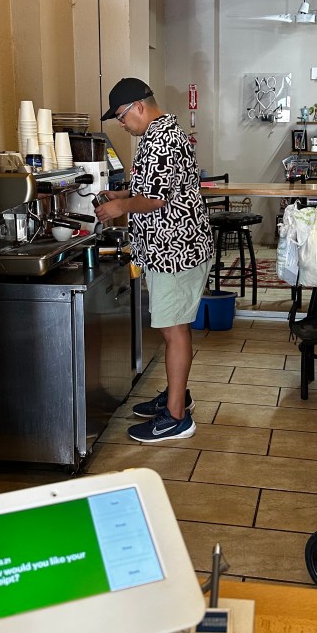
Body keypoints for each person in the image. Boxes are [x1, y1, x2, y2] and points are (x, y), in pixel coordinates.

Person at [95, 77, 214, 443]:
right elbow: (158, 188)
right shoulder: (160, 133)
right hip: (174, 249)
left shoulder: (161, 139)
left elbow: (156, 199)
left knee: (174, 331)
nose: (120, 123)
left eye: (120, 116)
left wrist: (119, 207)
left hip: (175, 252)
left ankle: (176, 418)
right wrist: (123, 194)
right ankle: (178, 396)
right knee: (175, 328)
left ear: (139, 107)